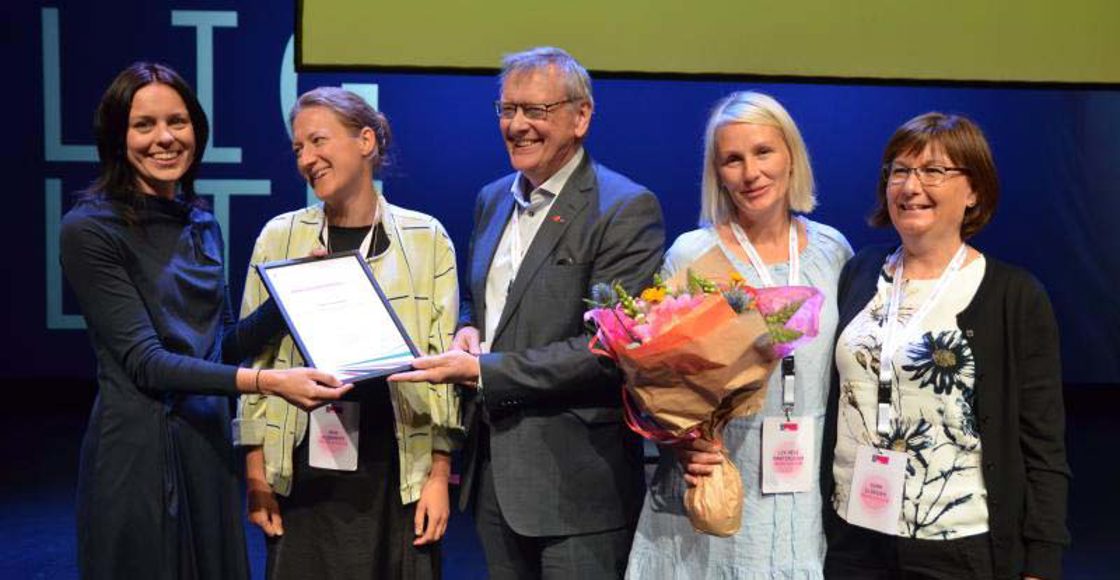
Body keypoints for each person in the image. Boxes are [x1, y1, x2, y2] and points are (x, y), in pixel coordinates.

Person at [59, 62, 350, 580]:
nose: (165, 138)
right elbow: (148, 364)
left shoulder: (202, 222)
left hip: (206, 449)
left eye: (178, 121)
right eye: (144, 125)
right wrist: (270, 382)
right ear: (117, 137)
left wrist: (292, 296)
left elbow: (221, 346)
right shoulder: (89, 230)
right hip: (139, 455)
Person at [389, 47, 665, 579]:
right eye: (507, 109)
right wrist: (468, 327)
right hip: (494, 479)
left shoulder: (624, 208)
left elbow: (607, 349)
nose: (517, 125)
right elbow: (486, 301)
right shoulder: (492, 199)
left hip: (578, 488)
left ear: (580, 117)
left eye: (536, 110)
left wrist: (481, 370)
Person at [821, 112, 1070, 579]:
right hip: (854, 534)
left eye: (933, 170)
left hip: (955, 543)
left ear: (973, 190)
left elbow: (1043, 443)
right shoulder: (860, 272)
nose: (911, 186)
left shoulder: (1012, 294)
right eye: (899, 170)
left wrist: (1042, 560)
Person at [234, 87, 463, 579]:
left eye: (318, 141)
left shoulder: (426, 239)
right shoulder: (279, 238)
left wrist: (440, 476)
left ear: (365, 141)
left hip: (399, 470)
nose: (306, 159)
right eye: (298, 148)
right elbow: (255, 364)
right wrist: (256, 475)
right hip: (302, 474)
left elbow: (443, 370)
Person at [624, 91, 852, 578]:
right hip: (715, 483)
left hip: (803, 492)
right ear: (718, 172)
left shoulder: (833, 251)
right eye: (733, 159)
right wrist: (681, 440)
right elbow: (654, 376)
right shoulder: (691, 255)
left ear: (791, 156)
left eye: (763, 152)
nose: (751, 173)